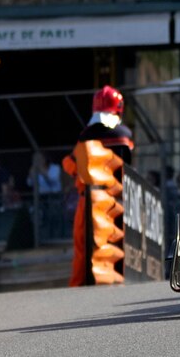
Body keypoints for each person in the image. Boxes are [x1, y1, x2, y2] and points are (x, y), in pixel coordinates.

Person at [62, 85, 134, 287]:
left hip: (89, 201)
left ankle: (80, 286)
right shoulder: (125, 134)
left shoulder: (86, 135)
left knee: (83, 248)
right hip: (120, 201)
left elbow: (70, 163)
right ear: (118, 108)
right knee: (120, 245)